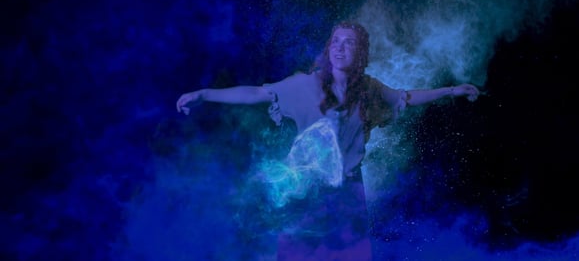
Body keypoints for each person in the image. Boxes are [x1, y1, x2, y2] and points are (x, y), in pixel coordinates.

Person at [176, 21, 480, 260]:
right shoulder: (304, 85)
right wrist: (204, 94)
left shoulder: (370, 89)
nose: (340, 47)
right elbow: (256, 93)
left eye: (349, 42)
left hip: (348, 194)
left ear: (360, 53)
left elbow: (406, 97)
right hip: (307, 192)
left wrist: (451, 91)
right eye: (335, 41)